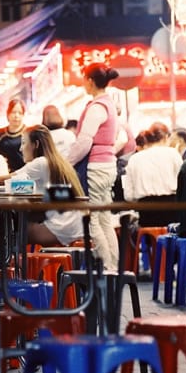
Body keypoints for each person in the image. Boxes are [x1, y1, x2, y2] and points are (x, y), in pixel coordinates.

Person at [66, 62, 129, 272]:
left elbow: (84, 141)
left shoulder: (97, 107)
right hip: (107, 165)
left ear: (90, 81)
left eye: (84, 79)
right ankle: (113, 267)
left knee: (94, 220)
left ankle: (106, 268)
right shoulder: (110, 105)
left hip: (96, 167)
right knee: (104, 220)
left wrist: (67, 163)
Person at [8, 125, 86, 247]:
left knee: (10, 233)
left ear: (36, 144)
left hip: (62, 228)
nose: (20, 148)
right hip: (75, 225)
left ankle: (16, 265)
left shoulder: (41, 162)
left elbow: (5, 179)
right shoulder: (59, 161)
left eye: (23, 143)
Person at [122, 122, 183, 224]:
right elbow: (182, 183)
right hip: (171, 210)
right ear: (166, 137)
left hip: (146, 212)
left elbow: (128, 196)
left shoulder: (134, 159)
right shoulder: (173, 154)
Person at [0, 98, 27, 171]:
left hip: (24, 173)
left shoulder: (28, 132)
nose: (16, 116)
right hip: (3, 173)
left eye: (20, 113)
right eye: (13, 112)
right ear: (8, 114)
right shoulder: (0, 133)